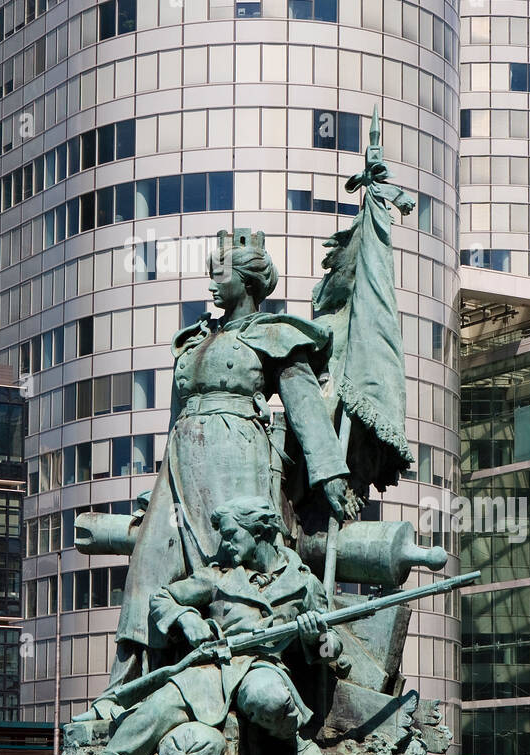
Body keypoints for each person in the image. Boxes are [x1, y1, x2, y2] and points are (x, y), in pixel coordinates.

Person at [107, 227, 350, 690]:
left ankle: (239, 678)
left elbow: (305, 409)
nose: (212, 284)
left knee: (231, 569)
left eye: (220, 274)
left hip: (237, 461)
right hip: (181, 466)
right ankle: (128, 688)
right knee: (149, 567)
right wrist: (157, 482)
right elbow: (176, 418)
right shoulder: (193, 339)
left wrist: (330, 474)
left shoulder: (275, 335)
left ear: (247, 278)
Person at [44, 498, 337, 755]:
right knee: (151, 713)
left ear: (259, 532)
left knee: (268, 698)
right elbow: (162, 598)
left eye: (230, 535)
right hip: (209, 670)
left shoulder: (304, 582)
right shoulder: (218, 577)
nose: (224, 544)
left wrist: (315, 638)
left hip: (261, 665)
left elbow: (334, 650)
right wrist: (187, 618)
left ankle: (292, 738)